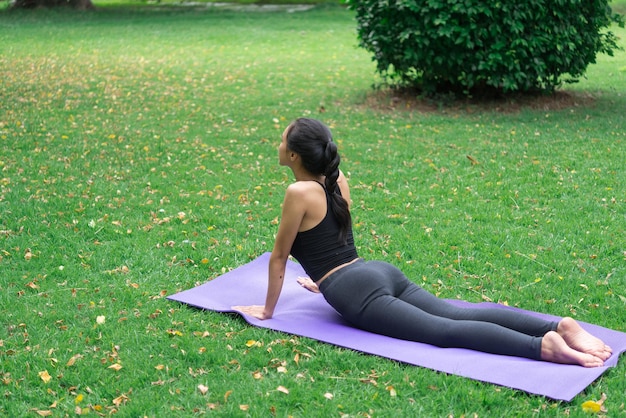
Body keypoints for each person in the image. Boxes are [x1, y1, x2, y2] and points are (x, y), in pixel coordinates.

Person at [234, 118, 612, 367]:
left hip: (354, 289)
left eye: (282, 140)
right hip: (375, 271)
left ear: (294, 155)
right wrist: (322, 277)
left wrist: (267, 311)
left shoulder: (297, 191)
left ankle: (543, 347)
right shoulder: (336, 178)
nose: (278, 144)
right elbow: (336, 238)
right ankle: (557, 324)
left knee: (441, 332)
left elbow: (280, 257)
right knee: (457, 313)